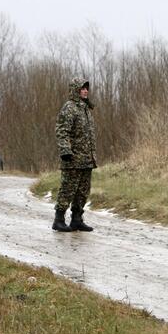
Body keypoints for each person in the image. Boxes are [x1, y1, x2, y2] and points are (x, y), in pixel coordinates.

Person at [52, 78, 97, 232]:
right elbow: (62, 131)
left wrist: (92, 156)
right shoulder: (69, 108)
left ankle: (77, 219)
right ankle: (58, 220)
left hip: (86, 159)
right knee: (68, 189)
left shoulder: (85, 109)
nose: (85, 91)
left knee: (83, 191)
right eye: (82, 88)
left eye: (86, 88)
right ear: (75, 90)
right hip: (72, 158)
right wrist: (65, 151)